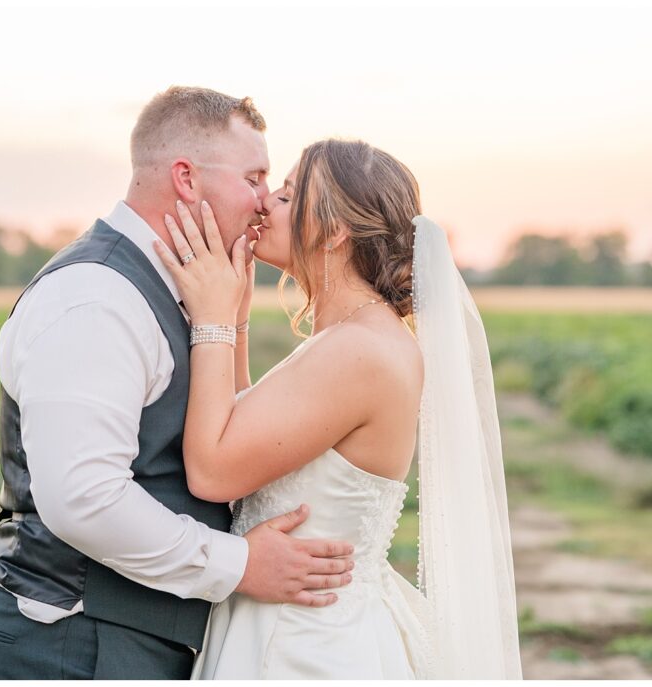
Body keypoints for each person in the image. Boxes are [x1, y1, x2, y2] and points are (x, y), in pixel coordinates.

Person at [0, 87, 356, 680]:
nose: (261, 203)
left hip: (120, 641)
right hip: (69, 643)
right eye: (254, 178)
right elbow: (84, 499)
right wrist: (240, 564)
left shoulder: (178, 289)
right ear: (186, 179)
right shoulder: (96, 297)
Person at [153, 138, 524, 679]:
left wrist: (208, 318)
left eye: (288, 194)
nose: (265, 204)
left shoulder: (358, 352)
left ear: (334, 230)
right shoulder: (355, 339)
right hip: (293, 625)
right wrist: (233, 316)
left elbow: (213, 471)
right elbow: (244, 429)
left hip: (303, 646)